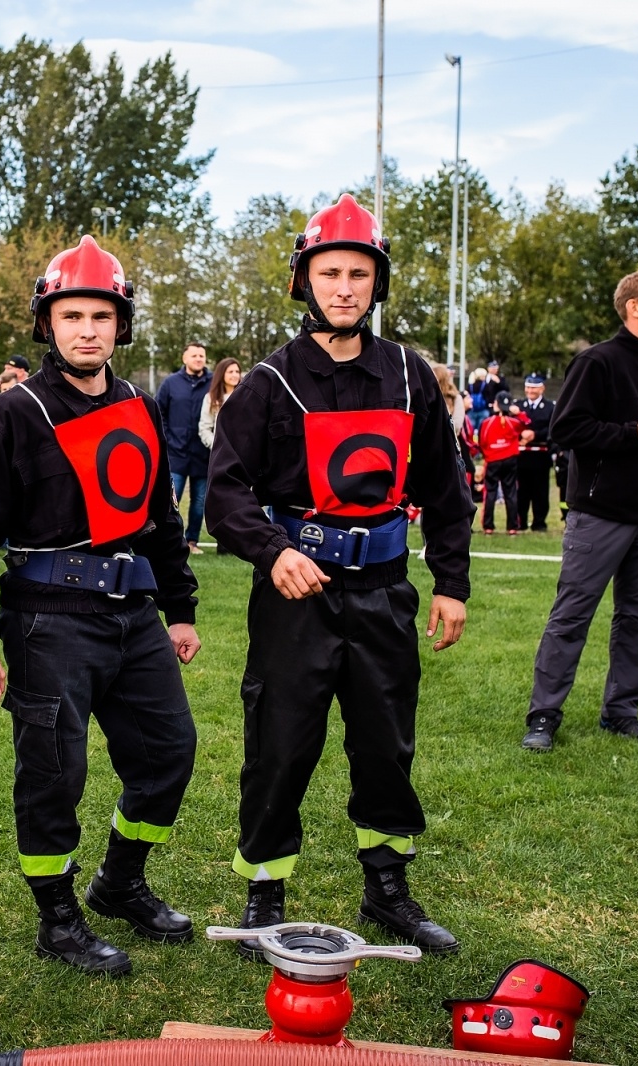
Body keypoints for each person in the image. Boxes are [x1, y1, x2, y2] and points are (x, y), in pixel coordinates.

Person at [204, 193, 471, 956]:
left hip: (384, 590)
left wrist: (450, 583)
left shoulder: (410, 377)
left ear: (376, 283)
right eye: (330, 272)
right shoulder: (268, 382)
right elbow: (225, 491)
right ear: (305, 281)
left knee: (386, 745)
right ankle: (264, 889)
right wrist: (272, 551)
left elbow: (447, 492)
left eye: (359, 273)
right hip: (298, 594)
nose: (345, 287)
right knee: (281, 743)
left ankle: (388, 888)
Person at [0, 234, 201, 976]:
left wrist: (179, 608)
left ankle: (119, 883)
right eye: (71, 315)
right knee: (55, 771)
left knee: (169, 753)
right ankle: (58, 921)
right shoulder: (15, 413)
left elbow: (161, 520)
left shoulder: (141, 406)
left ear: (121, 324)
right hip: (47, 619)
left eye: (101, 315)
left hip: (135, 617)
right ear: (46, 323)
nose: (87, 329)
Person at [521, 270, 638, 753]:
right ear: (634, 307)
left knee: (636, 618)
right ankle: (544, 716)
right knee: (571, 616)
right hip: (601, 515)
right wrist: (634, 433)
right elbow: (567, 429)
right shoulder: (596, 362)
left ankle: (621, 712)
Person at [156, 342, 212, 553]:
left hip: (203, 455)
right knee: (172, 500)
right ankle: (167, 539)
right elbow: (158, 411)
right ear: (184, 359)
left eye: (201, 355)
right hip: (176, 454)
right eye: (194, 355)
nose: (198, 358)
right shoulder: (171, 383)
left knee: (199, 502)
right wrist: (168, 438)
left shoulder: (213, 382)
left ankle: (192, 542)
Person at [477, 392, 525, 535]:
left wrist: (488, 454)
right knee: (510, 492)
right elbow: (526, 423)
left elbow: (482, 441)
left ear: (496, 404)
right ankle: (512, 527)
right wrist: (519, 413)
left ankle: (488, 526)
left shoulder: (487, 422)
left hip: (492, 460)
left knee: (490, 492)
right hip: (510, 459)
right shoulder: (514, 422)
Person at [515, 373, 555, 532]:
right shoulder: (518, 406)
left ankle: (539, 523)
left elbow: (553, 429)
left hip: (541, 456)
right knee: (521, 491)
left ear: (542, 389)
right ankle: (521, 521)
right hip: (521, 456)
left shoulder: (550, 407)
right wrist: (521, 434)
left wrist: (535, 434)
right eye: (528, 387)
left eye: (534, 388)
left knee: (540, 491)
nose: (530, 391)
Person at [198, 356, 241, 451]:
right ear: (221, 374)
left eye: (237, 372)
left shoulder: (246, 396)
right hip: (223, 454)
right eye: (230, 372)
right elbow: (204, 429)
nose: (235, 375)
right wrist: (219, 447)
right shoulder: (211, 398)